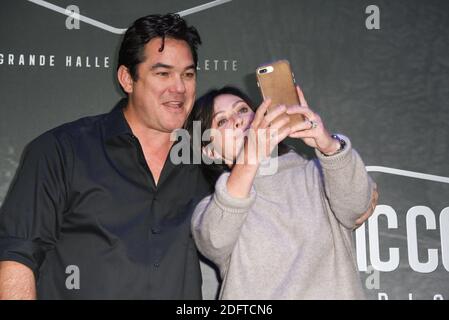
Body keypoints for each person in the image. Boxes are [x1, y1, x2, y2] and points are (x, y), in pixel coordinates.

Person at [0, 13, 212, 299]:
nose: (179, 88)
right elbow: (17, 258)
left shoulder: (206, 156)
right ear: (127, 79)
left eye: (188, 74)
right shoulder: (61, 151)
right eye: (163, 73)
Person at [188, 85, 378, 299]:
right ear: (210, 151)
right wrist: (250, 158)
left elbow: (357, 206)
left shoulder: (320, 175)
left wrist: (329, 146)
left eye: (242, 110)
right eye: (222, 121)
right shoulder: (211, 210)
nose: (238, 120)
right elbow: (215, 240)